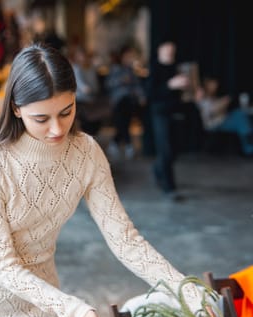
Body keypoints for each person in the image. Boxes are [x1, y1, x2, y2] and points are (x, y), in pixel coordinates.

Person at [0, 43, 203, 317]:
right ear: (16, 108)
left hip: (45, 306)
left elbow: (125, 239)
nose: (57, 129)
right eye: (41, 119)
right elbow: (1, 265)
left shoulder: (86, 153)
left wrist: (186, 290)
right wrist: (74, 309)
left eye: (66, 112)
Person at [148, 41, 190, 200]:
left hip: (177, 112)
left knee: (175, 150)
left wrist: (194, 90)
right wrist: (169, 85)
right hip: (160, 113)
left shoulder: (178, 67)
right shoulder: (154, 69)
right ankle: (169, 188)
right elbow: (151, 94)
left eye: (172, 50)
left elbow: (186, 92)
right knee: (165, 150)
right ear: (160, 50)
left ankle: (158, 170)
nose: (170, 52)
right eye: (167, 50)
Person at [195, 76, 253, 156]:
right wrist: (223, 103)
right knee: (241, 118)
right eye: (212, 84)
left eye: (216, 84)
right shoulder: (202, 97)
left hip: (223, 119)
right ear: (206, 85)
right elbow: (211, 113)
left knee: (241, 116)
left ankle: (249, 145)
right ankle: (249, 148)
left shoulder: (213, 96)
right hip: (214, 123)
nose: (215, 86)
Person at [106, 45, 146, 159]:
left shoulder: (131, 71)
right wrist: (121, 80)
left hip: (129, 100)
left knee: (123, 120)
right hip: (118, 100)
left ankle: (115, 143)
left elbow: (137, 86)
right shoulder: (115, 68)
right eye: (129, 56)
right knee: (124, 112)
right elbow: (108, 84)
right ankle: (128, 144)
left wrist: (141, 96)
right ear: (123, 56)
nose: (131, 59)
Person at [70, 45, 106, 136]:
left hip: (92, 97)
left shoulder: (92, 68)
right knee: (85, 117)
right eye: (80, 55)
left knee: (98, 114)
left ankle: (92, 136)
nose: (82, 58)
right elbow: (81, 85)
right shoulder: (76, 68)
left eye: (84, 55)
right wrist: (87, 89)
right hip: (80, 98)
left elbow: (95, 85)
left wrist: (91, 90)